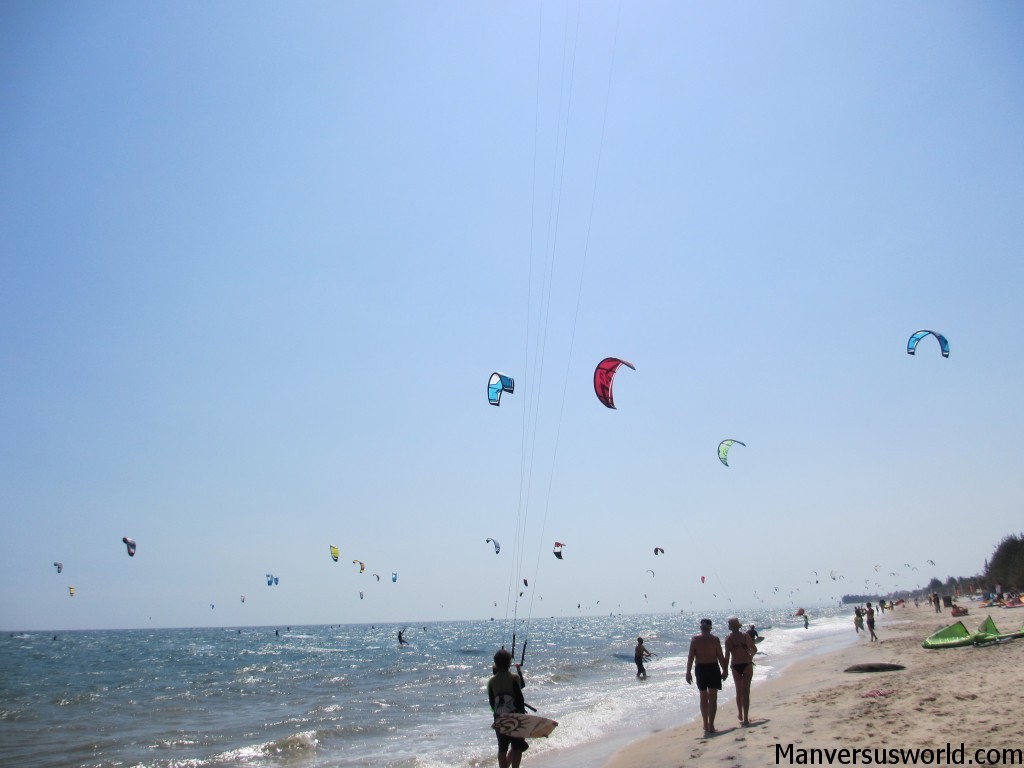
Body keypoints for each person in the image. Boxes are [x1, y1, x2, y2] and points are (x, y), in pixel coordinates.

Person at [686, 618, 728, 737]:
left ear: (701, 627)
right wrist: (725, 670)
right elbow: (720, 656)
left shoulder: (695, 639)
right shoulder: (714, 639)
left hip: (701, 668)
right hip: (713, 668)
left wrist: (688, 672)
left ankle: (706, 723)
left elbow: (691, 657)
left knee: (703, 696)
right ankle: (711, 725)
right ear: (710, 627)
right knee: (712, 698)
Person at [488, 648, 528, 768]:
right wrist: (522, 714)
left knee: (502, 749)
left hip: (499, 717)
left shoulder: (491, 681)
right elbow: (520, 695)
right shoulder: (514, 678)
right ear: (509, 663)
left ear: (496, 663)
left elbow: (492, 704)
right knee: (517, 746)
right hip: (515, 716)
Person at [724, 617, 757, 726]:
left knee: (739, 691)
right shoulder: (745, 636)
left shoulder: (728, 639)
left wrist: (725, 670)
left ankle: (740, 714)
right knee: (746, 692)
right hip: (747, 664)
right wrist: (750, 657)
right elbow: (754, 649)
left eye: (729, 624)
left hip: (735, 666)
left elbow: (727, 656)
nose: (728, 625)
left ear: (731, 626)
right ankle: (746, 718)